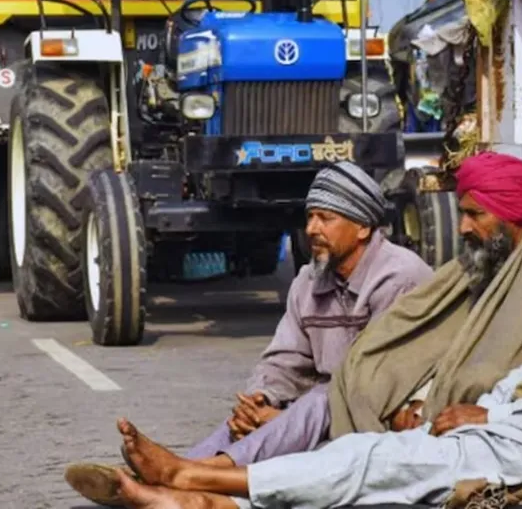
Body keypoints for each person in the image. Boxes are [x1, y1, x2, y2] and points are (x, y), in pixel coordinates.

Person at [106, 163, 522, 509]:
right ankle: (207, 496)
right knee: (372, 464)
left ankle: (196, 483)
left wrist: (491, 415)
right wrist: (489, 407)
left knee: (373, 460)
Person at [66, 162, 434, 505]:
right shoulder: (309, 280)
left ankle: (183, 475)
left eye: (325, 218)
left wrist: (283, 423)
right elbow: (284, 359)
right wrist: (261, 401)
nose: (311, 229)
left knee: (321, 398)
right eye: (309, 217)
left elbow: (373, 384)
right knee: (252, 424)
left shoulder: (399, 277)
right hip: (319, 414)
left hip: (375, 416)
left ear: (363, 227)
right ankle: (167, 478)